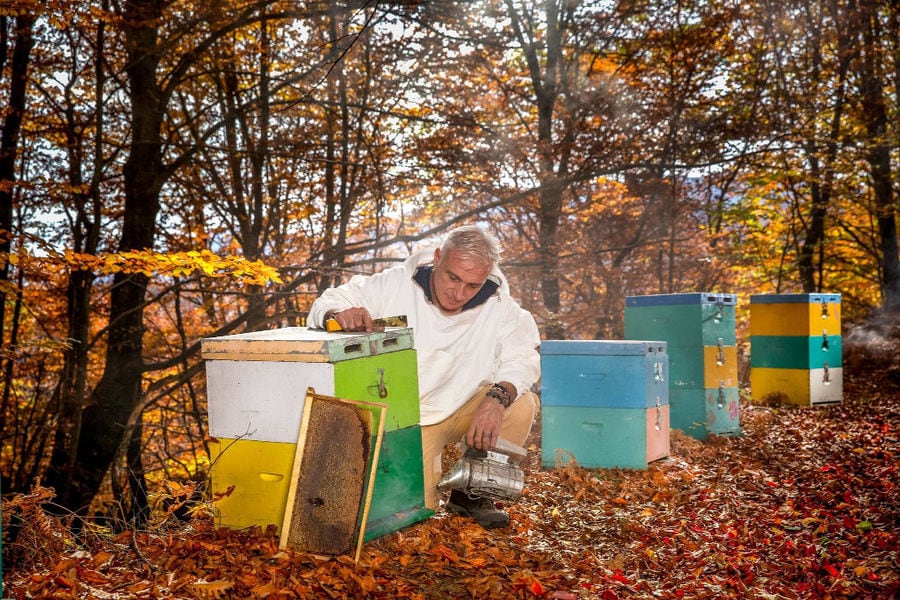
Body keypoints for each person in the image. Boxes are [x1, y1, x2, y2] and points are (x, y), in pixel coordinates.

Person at [307, 225, 541, 528]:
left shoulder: (501, 307)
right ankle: (427, 483)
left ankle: (471, 494)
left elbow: (522, 359)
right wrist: (337, 313)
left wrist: (497, 400)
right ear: (437, 257)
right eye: (453, 277)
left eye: (472, 285)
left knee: (520, 404)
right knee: (414, 512)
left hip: (465, 408)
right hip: (408, 420)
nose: (458, 293)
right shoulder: (394, 285)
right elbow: (327, 301)